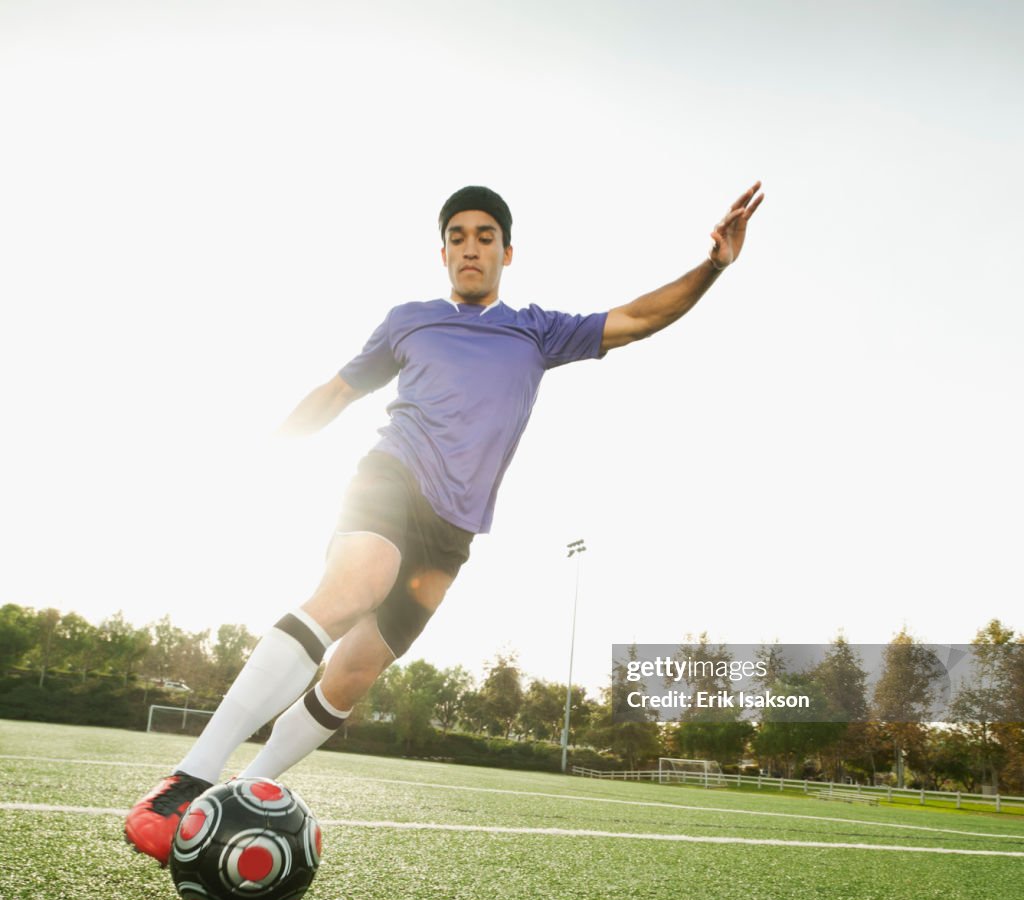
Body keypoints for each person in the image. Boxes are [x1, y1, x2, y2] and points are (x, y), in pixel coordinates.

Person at [124, 182, 764, 865]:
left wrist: (713, 266)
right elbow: (340, 390)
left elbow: (637, 318)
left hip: (452, 531)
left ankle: (238, 798)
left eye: (484, 236)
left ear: (507, 253)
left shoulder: (537, 331)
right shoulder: (410, 320)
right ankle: (188, 780)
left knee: (356, 671)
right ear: (443, 252)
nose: (470, 248)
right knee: (357, 582)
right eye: (457, 237)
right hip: (391, 477)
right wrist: (269, 450)